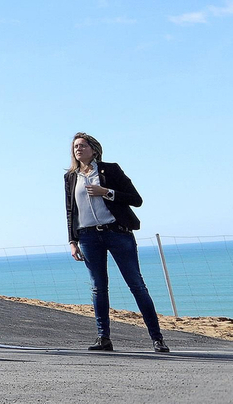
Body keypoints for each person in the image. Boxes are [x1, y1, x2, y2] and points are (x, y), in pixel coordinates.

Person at [65, 132, 170, 353]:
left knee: (136, 285)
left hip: (117, 233)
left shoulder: (110, 170)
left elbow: (136, 200)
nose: (78, 149)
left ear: (94, 149)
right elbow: (70, 211)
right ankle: (103, 339)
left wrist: (107, 192)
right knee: (98, 288)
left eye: (82, 145)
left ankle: (157, 338)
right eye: (75, 146)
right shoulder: (71, 177)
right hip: (88, 237)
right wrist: (72, 240)